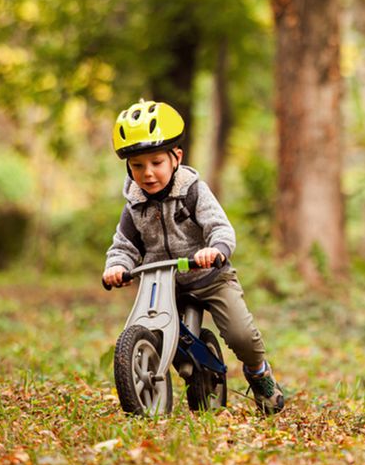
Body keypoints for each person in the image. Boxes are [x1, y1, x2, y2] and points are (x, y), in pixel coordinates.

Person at [102, 99, 285, 415]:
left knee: (242, 335)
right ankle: (177, 378)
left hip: (209, 276)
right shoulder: (133, 206)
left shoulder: (193, 191)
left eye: (156, 162)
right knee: (156, 329)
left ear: (176, 157)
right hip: (164, 283)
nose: (147, 174)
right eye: (137, 166)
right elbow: (124, 246)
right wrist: (117, 266)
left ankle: (259, 373)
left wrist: (215, 250)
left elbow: (220, 227)